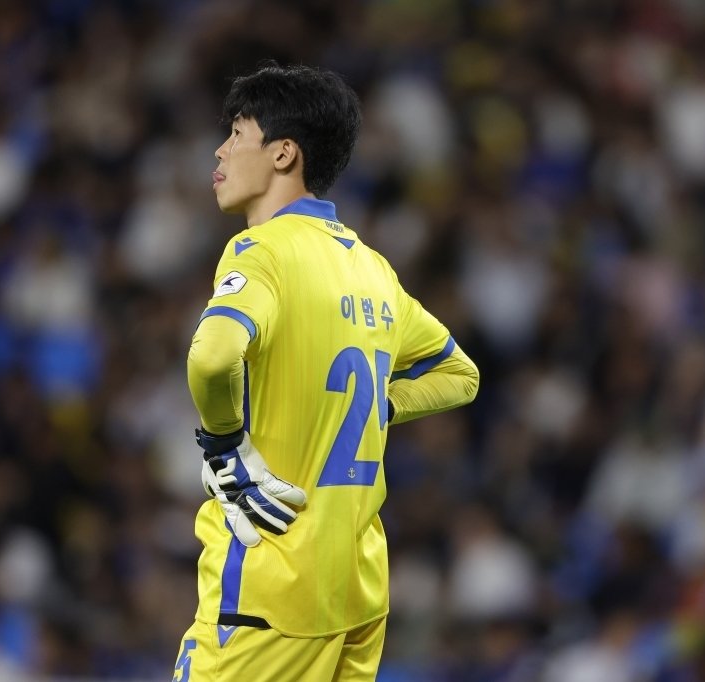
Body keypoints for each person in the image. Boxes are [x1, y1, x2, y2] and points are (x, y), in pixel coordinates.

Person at [172, 63, 479, 681]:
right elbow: (459, 374)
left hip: (271, 589)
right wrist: (377, 408)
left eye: (237, 131)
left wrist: (224, 446)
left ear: (284, 153)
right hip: (357, 590)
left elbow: (211, 354)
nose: (221, 149)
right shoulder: (372, 269)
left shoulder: (261, 252)